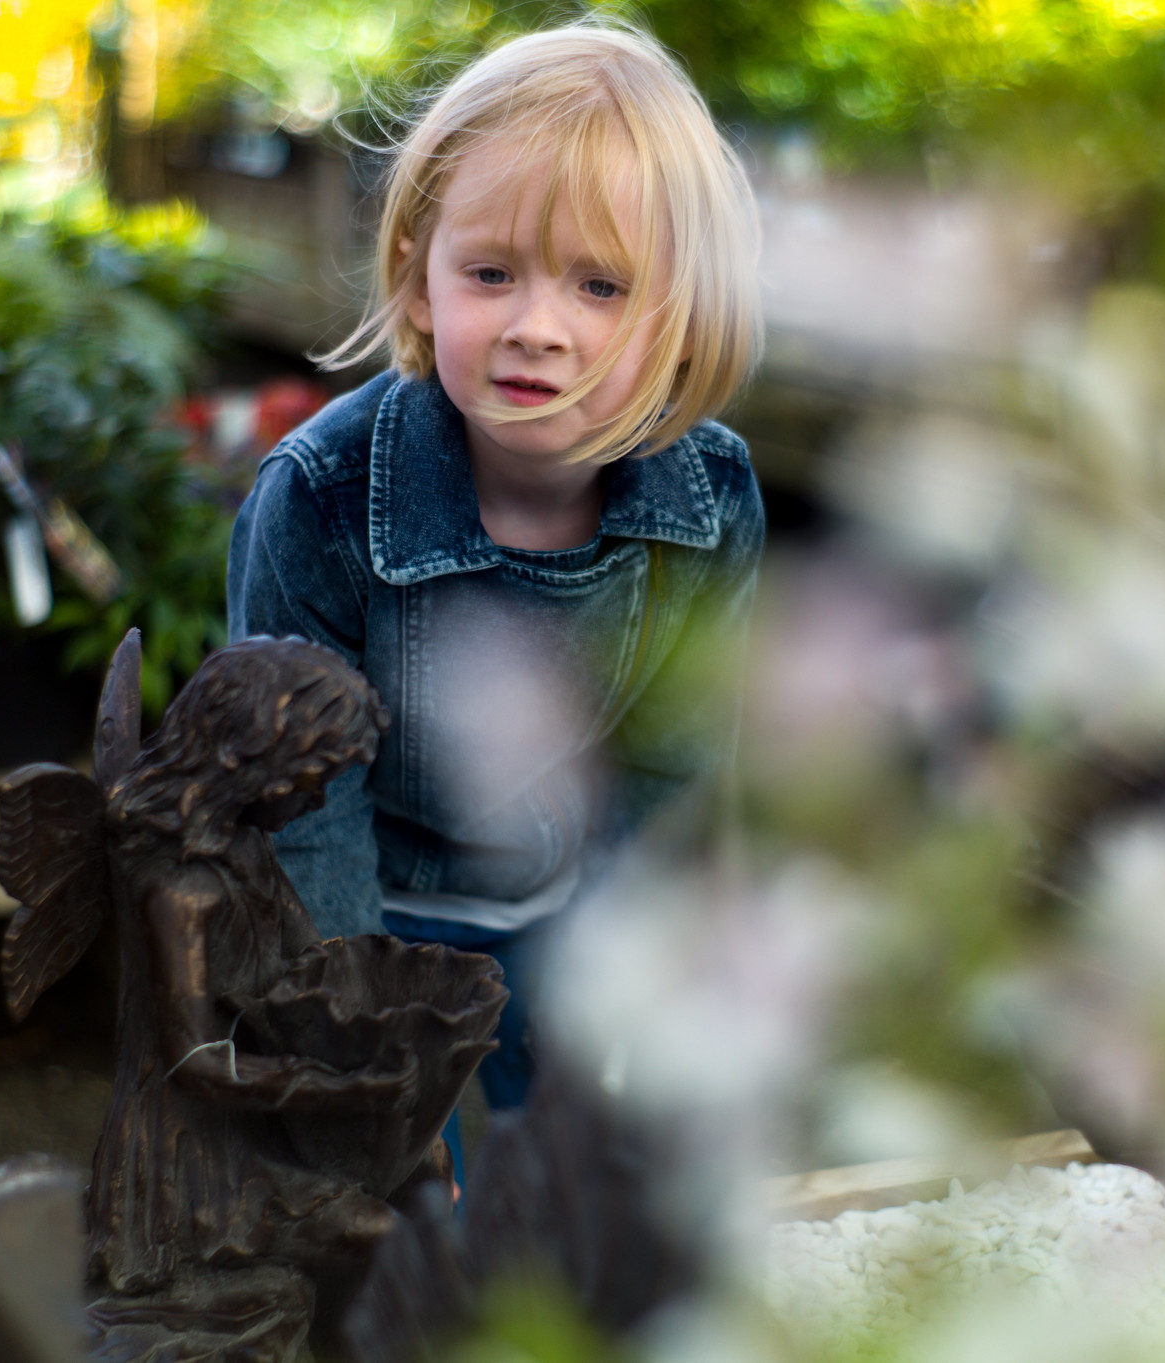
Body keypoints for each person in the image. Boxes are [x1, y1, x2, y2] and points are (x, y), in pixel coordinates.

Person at [225, 22, 766, 1173]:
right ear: (421, 274)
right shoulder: (320, 502)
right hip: (385, 939)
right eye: (491, 272)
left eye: (599, 286)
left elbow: (679, 778)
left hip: (582, 933)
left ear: (678, 316)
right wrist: (353, 1066)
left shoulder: (707, 499)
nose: (535, 326)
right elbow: (300, 815)